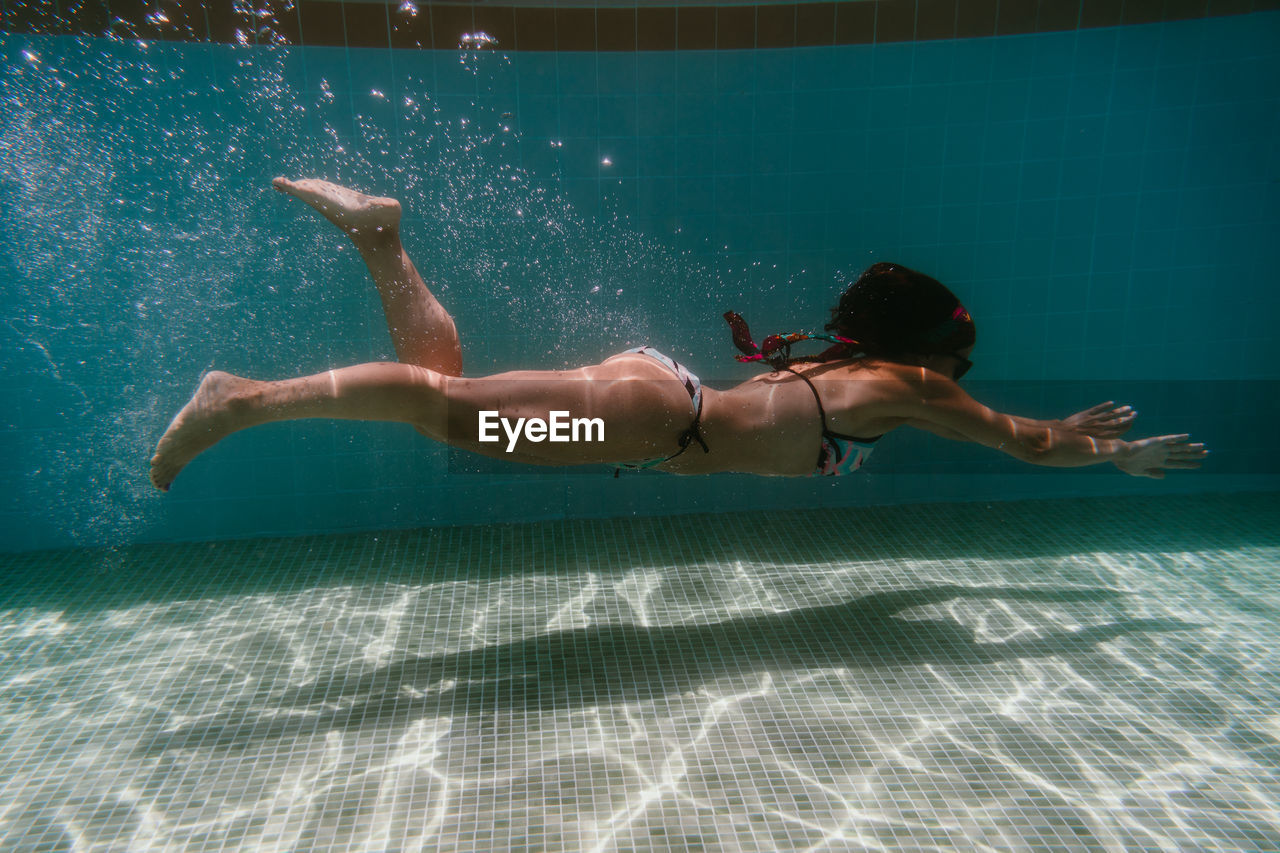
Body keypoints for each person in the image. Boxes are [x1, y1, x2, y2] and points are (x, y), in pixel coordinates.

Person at [148, 178, 1207, 492]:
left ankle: (381, 239)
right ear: (930, 352)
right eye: (957, 356)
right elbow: (1014, 438)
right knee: (447, 411)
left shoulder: (852, 371)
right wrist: (1111, 452)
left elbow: (1017, 427)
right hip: (651, 418)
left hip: (653, 403)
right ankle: (243, 399)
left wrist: (1069, 431)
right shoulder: (910, 387)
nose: (961, 375)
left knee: (448, 404)